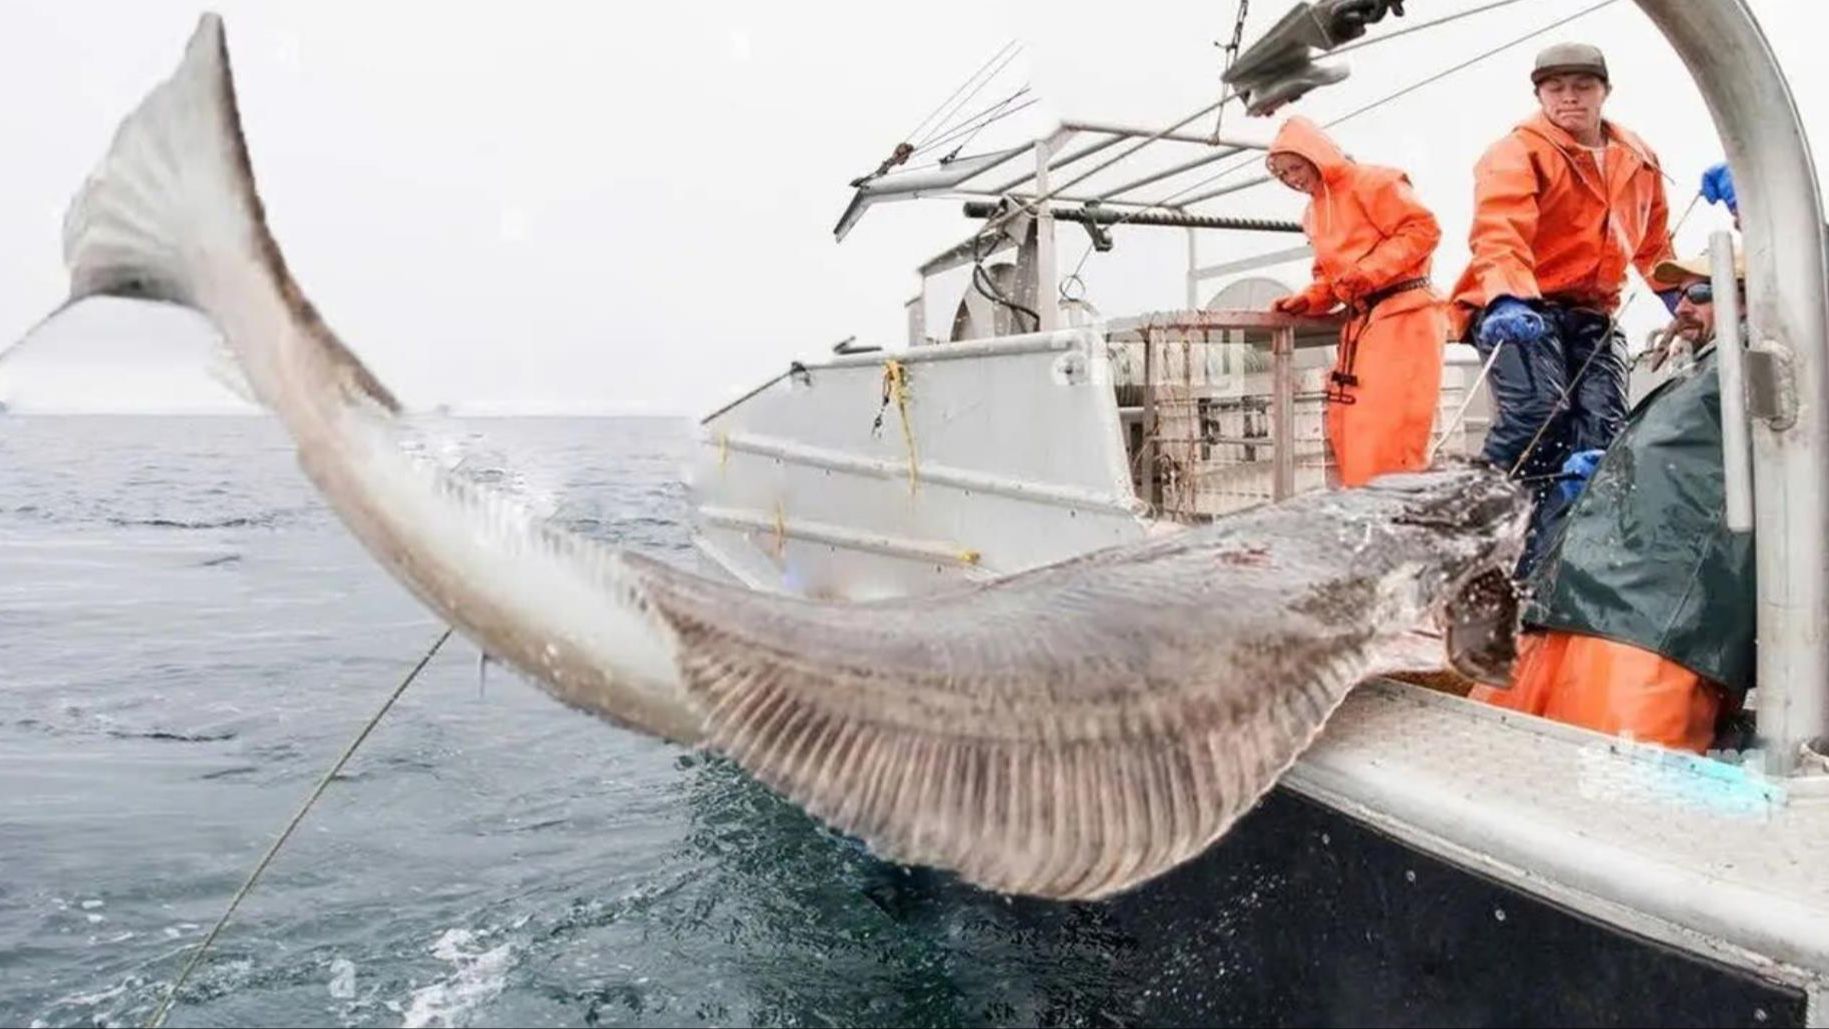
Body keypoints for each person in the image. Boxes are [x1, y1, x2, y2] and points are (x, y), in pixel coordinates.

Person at [1470, 248, 1752, 754]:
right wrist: (1610, 473)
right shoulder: (1696, 373)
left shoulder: (1763, 355)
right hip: (1566, 600)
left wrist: (1763, 199)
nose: (1682, 306)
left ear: (1756, 300)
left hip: (1654, 624)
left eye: (1703, 292)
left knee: (1613, 782)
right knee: (1492, 757)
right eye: (1681, 293)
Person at [1448, 42, 1678, 576]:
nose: (1569, 98)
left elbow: (1653, 244)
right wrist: (1505, 294)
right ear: (1540, 95)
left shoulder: (1638, 157)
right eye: (1555, 88)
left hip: (1591, 310)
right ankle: (1476, 527)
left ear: (1605, 92)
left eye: (1582, 86)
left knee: (1600, 434)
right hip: (1522, 304)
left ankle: (1556, 563)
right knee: (1537, 414)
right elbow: (1499, 228)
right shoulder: (1517, 151)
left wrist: (1681, 295)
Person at [1265, 115, 1448, 488]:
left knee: (1391, 429)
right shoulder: (1313, 213)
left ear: (1316, 155)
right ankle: (1367, 516)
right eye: (1283, 175)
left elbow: (1423, 229)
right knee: (1351, 428)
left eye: (1296, 167)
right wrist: (1308, 300)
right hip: (1361, 326)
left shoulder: (1375, 182)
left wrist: (1368, 272)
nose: (1292, 179)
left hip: (1405, 316)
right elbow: (1328, 276)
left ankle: (1394, 521)